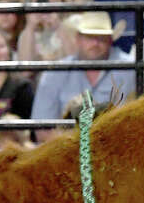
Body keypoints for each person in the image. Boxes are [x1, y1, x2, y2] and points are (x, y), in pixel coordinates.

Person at [30, 11, 137, 142]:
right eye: (90, 37)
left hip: (119, 148)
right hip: (67, 152)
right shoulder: (54, 73)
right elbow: (42, 130)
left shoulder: (132, 69)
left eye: (101, 38)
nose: (95, 43)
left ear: (110, 40)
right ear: (78, 39)